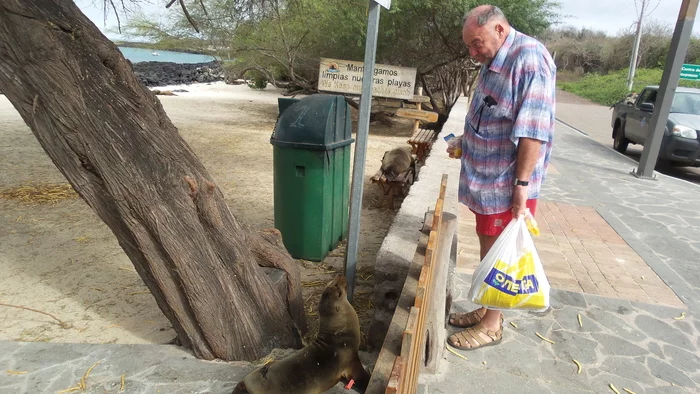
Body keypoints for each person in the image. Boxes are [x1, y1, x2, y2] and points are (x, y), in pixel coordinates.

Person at [445, 4, 556, 350]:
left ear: (499, 30)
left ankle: (492, 324)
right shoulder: (493, 59)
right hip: (485, 178)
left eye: (477, 44)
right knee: (488, 246)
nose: (472, 52)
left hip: (506, 181)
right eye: (469, 46)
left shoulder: (529, 58)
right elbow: (490, 111)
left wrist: (522, 185)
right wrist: (467, 141)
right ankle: (487, 307)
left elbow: (533, 130)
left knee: (500, 252)